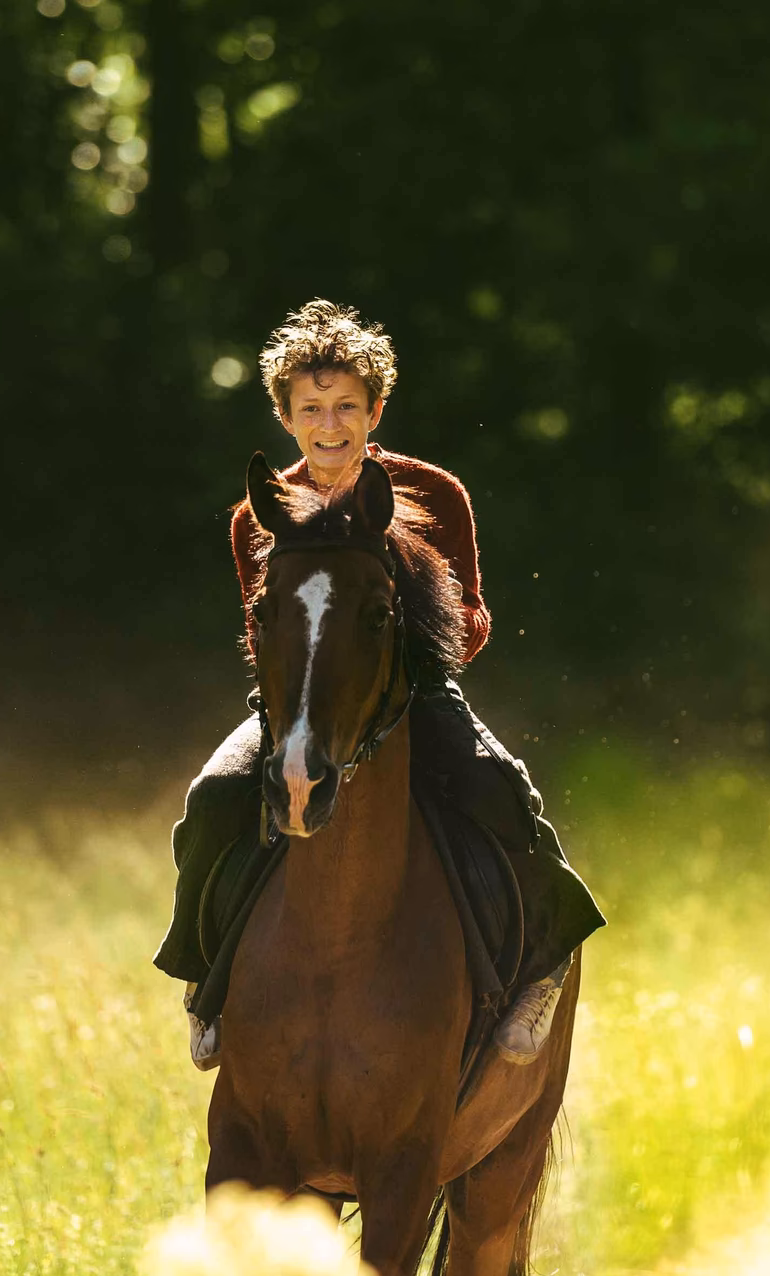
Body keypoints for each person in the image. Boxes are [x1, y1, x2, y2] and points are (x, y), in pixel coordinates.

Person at [153, 299, 605, 1070]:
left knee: (498, 784)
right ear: (285, 416)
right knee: (211, 799)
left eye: (346, 407)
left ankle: (545, 962)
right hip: (297, 706)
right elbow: (263, 632)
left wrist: (409, 643)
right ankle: (204, 981)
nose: (330, 426)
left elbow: (473, 614)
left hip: (413, 695)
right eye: (311, 409)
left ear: (375, 410)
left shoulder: (435, 494)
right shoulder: (254, 519)